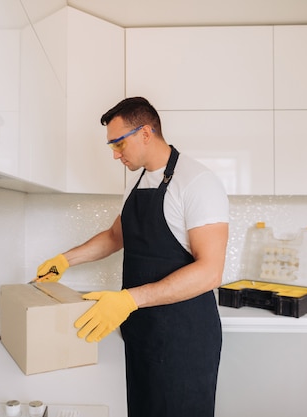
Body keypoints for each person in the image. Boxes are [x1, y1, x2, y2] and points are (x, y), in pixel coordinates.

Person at [34, 97, 229, 417]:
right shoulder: (137, 183)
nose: (114, 154)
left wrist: (127, 299)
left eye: (118, 143)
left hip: (184, 339)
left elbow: (210, 272)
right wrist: (65, 260)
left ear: (146, 133)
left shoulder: (197, 182)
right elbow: (115, 237)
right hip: (142, 332)